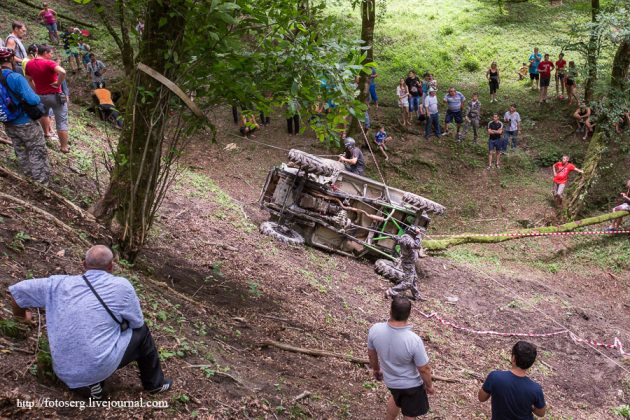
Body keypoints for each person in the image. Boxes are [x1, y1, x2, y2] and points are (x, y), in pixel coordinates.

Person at [8, 245, 173, 400]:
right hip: (96, 365)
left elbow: (16, 292)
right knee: (142, 332)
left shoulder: (57, 284)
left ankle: (91, 384)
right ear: (111, 267)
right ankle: (154, 385)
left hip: (64, 370)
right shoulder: (121, 286)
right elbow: (136, 323)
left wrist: (21, 317)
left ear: (84, 264)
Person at [367, 296, 434, 419]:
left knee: (396, 397)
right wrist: (429, 385)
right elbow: (424, 369)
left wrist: (376, 369)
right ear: (408, 315)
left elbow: (371, 354)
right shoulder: (414, 340)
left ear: (390, 311)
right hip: (411, 386)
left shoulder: (375, 330)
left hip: (391, 381)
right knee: (409, 414)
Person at [0, 47, 51, 185]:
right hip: (25, 121)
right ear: (11, 59)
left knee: (21, 151)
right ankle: (41, 184)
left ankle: (28, 179)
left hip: (8, 123)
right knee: (36, 150)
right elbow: (32, 100)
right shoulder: (15, 77)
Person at [478, 341, 546, 419]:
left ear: (513, 358)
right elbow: (541, 413)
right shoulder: (535, 389)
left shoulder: (495, 377)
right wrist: (531, 407)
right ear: (531, 363)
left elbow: (481, 398)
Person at [25, 44, 70, 153]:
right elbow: (63, 72)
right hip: (55, 95)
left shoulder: (29, 63)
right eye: (50, 53)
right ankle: (64, 147)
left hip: (40, 96)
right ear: (45, 53)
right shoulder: (49, 63)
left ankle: (46, 133)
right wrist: (58, 83)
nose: (51, 55)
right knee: (61, 121)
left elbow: (29, 79)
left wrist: (36, 90)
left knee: (44, 114)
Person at [385, 226, 426, 301]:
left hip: (410, 262)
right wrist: (418, 235)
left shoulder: (406, 238)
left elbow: (401, 241)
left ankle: (417, 296)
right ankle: (391, 291)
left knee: (413, 279)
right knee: (408, 283)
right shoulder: (407, 239)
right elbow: (416, 245)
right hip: (408, 264)